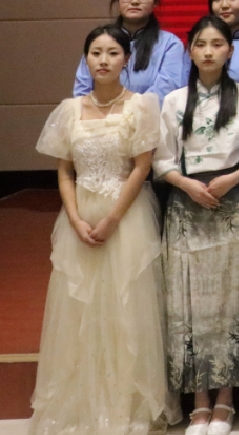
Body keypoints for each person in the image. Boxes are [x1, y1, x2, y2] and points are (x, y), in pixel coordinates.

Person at [31, 24, 176, 435]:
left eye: (113, 53)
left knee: (125, 308)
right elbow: (64, 172)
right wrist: (75, 218)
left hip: (125, 217)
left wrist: (112, 218)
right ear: (86, 59)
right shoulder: (68, 110)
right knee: (78, 309)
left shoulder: (141, 106)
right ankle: (80, 403)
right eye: (96, 53)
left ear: (126, 60)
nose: (104, 60)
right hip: (79, 216)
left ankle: (126, 404)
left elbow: (142, 168)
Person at [156, 15, 239, 435]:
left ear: (230, 51)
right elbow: (161, 160)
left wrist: (233, 178)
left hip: (230, 201)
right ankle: (199, 401)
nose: (209, 51)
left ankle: (226, 400)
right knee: (189, 304)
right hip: (186, 204)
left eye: (217, 44)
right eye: (201, 44)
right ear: (190, 51)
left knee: (228, 302)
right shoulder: (174, 101)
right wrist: (185, 184)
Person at [74, 0, 185, 102]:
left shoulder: (170, 44)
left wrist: (127, 111)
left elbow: (166, 90)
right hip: (100, 114)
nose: (135, 1)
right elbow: (82, 91)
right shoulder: (100, 40)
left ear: (155, 1)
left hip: (151, 114)